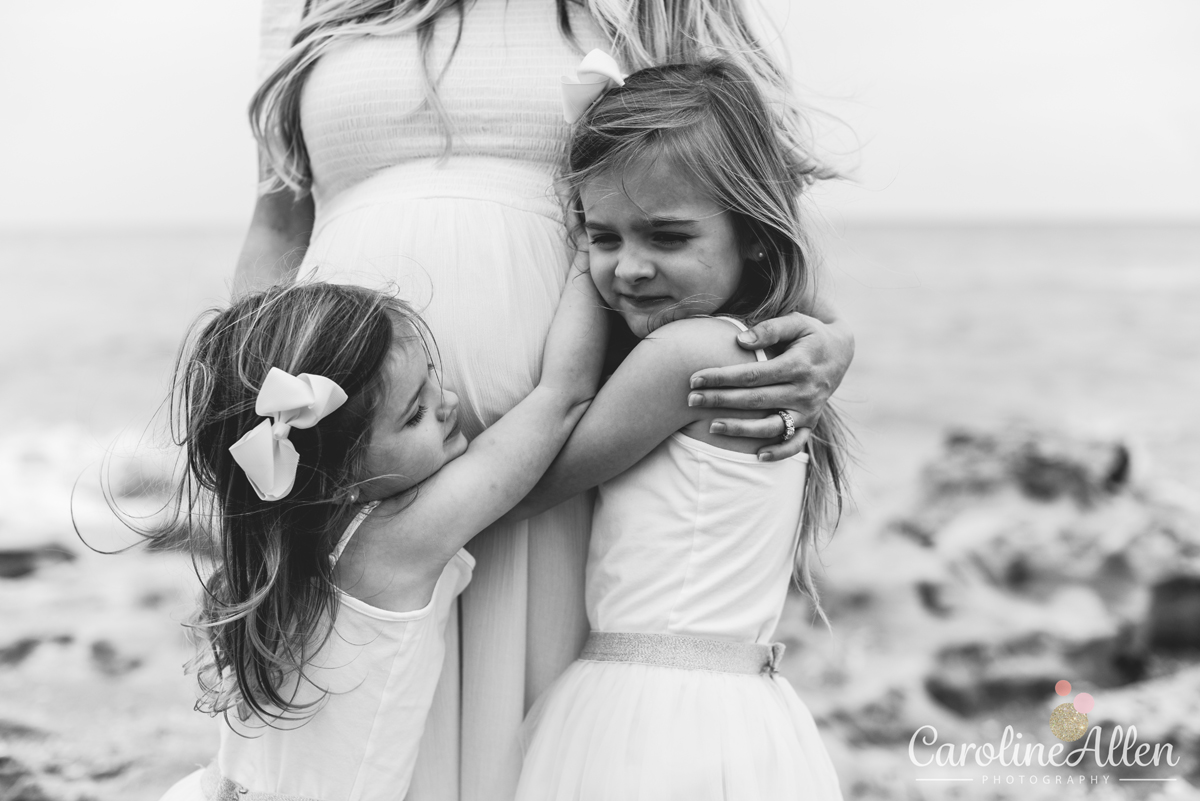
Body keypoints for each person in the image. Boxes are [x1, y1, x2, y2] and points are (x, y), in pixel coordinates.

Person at [240, 2, 856, 796]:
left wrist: (832, 337)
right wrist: (248, 422)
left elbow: (741, 187)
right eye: (602, 238)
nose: (630, 261)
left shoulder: (657, 7)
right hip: (351, 454)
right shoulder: (309, 9)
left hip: (560, 468)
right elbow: (274, 220)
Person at [509, 59, 847, 799]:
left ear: (754, 234)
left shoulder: (688, 355)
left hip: (654, 716)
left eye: (665, 236)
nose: (628, 269)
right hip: (733, 705)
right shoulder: (755, 343)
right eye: (601, 237)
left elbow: (529, 486)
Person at [156, 277, 603, 800]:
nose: (449, 401)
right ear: (340, 478)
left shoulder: (271, 550)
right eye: (414, 414)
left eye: (432, 379)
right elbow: (562, 398)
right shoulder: (389, 545)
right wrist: (586, 259)